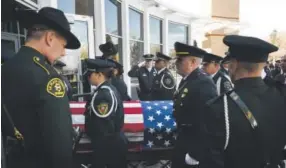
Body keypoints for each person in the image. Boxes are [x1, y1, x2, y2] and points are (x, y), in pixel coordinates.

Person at [2, 7, 80, 168]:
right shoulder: (48, 77)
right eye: (63, 45)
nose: (64, 52)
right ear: (50, 38)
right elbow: (59, 147)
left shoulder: (5, 69)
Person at [203, 35, 286, 168]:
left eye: (229, 63)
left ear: (234, 64)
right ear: (263, 64)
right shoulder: (281, 96)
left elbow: (210, 160)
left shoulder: (220, 107)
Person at [172, 42, 218, 168]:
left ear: (192, 62)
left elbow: (208, 121)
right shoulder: (187, 80)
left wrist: (196, 153)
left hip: (193, 143)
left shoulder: (203, 83)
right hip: (184, 137)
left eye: (180, 60)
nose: (176, 63)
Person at [84, 58, 127, 168]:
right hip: (112, 144)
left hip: (108, 146)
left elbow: (103, 126)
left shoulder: (103, 94)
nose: (88, 77)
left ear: (99, 75)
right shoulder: (107, 89)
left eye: (90, 74)